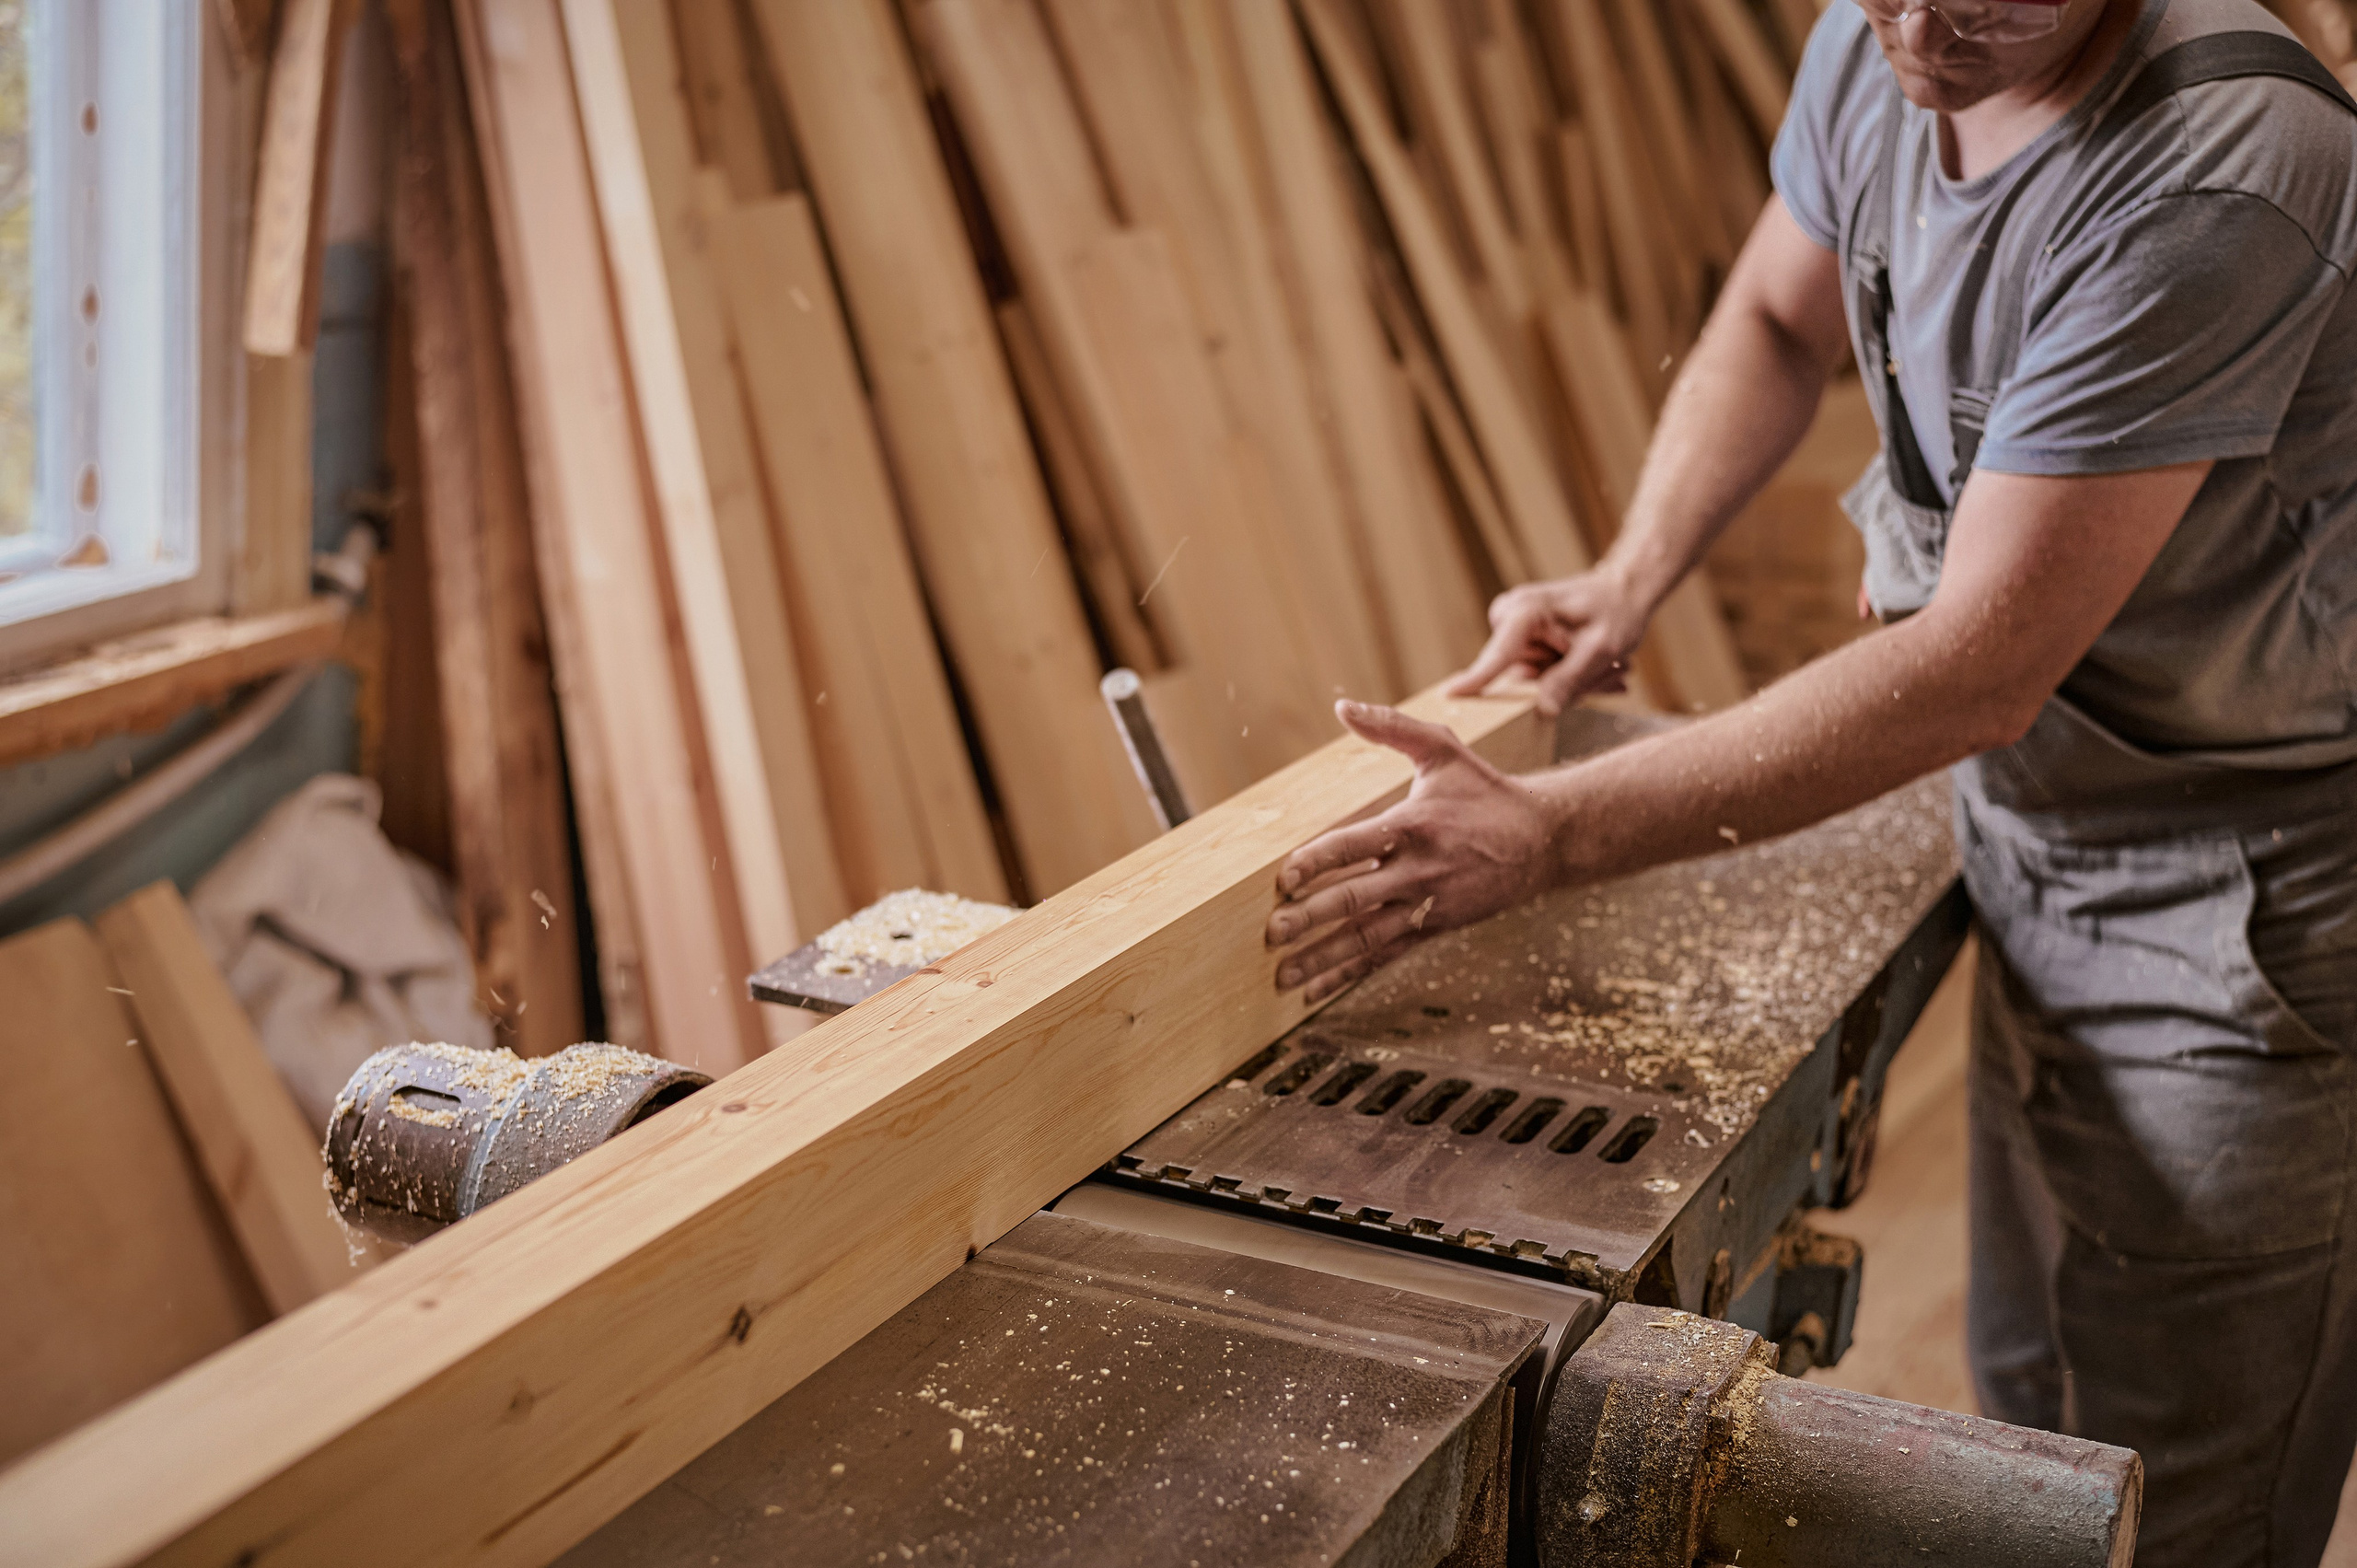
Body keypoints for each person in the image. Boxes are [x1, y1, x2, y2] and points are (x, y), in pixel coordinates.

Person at [1263, 0, 2357, 1560]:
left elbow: (1978, 665)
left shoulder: (2224, 162)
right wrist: (1631, 576)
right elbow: (1779, 320)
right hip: (2044, 810)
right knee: (2034, 1414)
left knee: (2177, 1493)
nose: (1911, 25)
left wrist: (1550, 833)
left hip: (2241, 884)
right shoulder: (1890, 36)